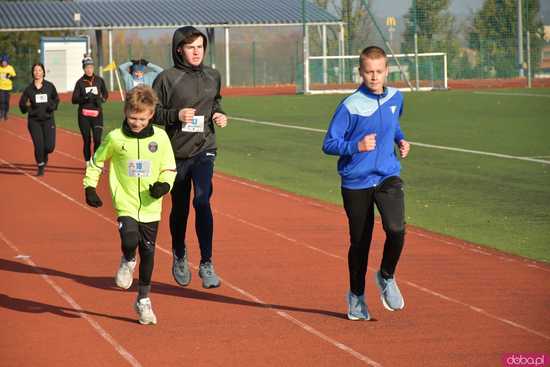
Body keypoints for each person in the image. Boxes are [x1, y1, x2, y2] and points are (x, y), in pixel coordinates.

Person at [322, 46, 411, 321]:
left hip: (387, 175)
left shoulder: (397, 97)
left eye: (379, 72)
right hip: (356, 181)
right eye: (369, 72)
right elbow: (329, 143)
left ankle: (386, 275)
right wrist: (356, 145)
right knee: (360, 242)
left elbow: (393, 123)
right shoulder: (350, 105)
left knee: (396, 229)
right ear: (361, 73)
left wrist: (400, 139)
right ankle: (357, 297)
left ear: (387, 71)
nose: (374, 77)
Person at [83, 85, 176, 325]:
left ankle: (143, 300)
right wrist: (89, 187)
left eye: (142, 118)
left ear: (151, 114)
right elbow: (96, 162)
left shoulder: (160, 138)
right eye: (133, 117)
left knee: (148, 251)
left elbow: (169, 167)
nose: (136, 123)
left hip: (151, 205)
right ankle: (127, 259)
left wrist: (164, 185)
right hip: (125, 201)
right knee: (129, 240)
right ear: (125, 112)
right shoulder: (116, 138)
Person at [153, 26, 228, 290]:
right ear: (179, 50)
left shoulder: (213, 76)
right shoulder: (165, 79)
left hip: (204, 148)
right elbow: (151, 113)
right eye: (190, 47)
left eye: (200, 47)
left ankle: (206, 263)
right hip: (175, 153)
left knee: (202, 199)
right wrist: (176, 115)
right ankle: (179, 253)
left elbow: (215, 102)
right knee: (181, 208)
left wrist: (220, 115)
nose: (196, 52)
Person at [18, 63, 59, 176]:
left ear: (43, 72)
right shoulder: (29, 89)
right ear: (32, 73)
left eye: (39, 70)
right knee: (39, 145)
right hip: (34, 121)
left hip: (48, 120)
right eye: (35, 70)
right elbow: (22, 106)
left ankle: (44, 154)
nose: (37, 72)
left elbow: (56, 100)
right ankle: (40, 165)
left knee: (49, 147)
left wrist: (52, 106)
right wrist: (25, 106)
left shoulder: (50, 86)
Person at [72, 56, 108, 165]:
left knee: (97, 139)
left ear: (93, 68)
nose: (89, 69)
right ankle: (88, 162)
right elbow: (74, 99)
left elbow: (105, 94)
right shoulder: (80, 83)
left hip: (97, 115)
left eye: (91, 67)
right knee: (87, 140)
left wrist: (101, 99)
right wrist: (85, 98)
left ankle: (96, 161)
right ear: (84, 68)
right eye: (87, 67)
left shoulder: (99, 80)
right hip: (84, 116)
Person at [0, 55, 17, 121]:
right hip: (1, 87)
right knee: (2, 100)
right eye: (2, 62)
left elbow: (14, 77)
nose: (3, 63)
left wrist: (9, 76)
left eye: (4, 62)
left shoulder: (10, 68)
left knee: (7, 101)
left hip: (8, 87)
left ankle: (6, 113)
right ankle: (1, 113)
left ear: (7, 62)